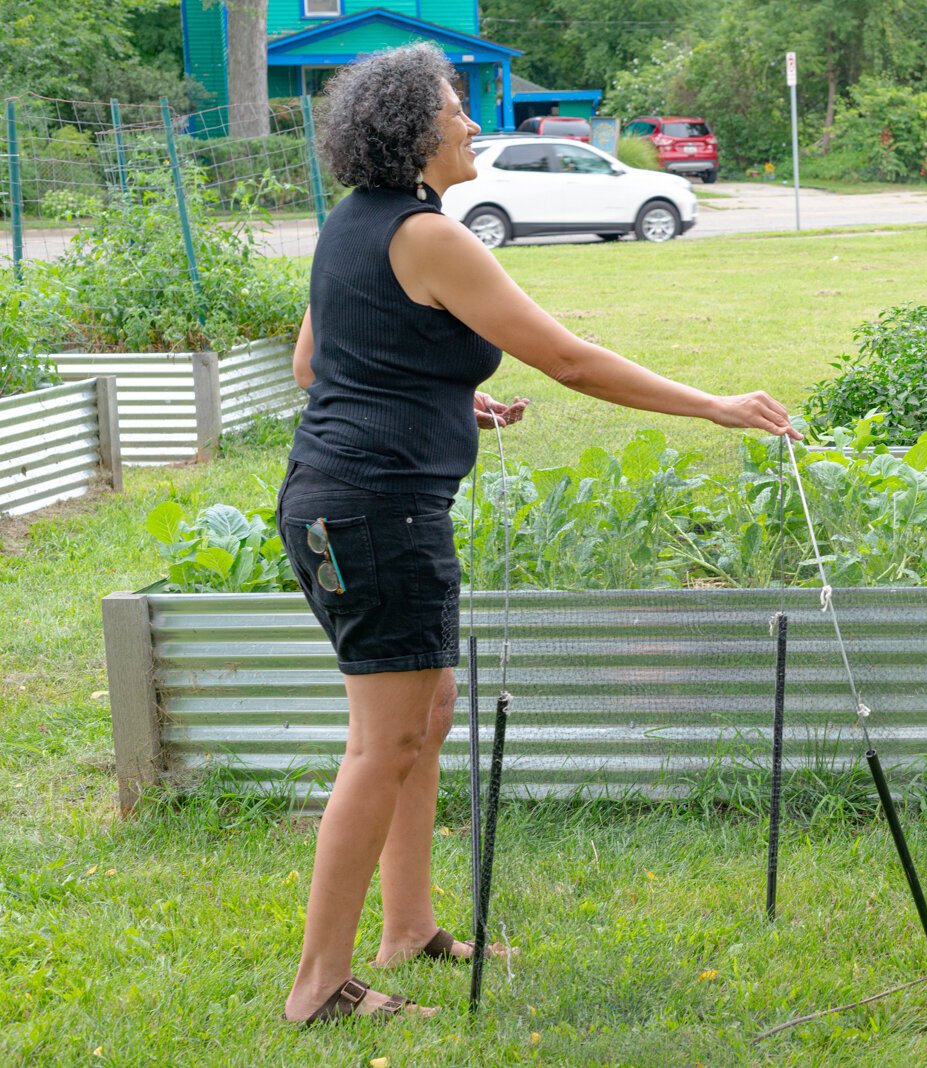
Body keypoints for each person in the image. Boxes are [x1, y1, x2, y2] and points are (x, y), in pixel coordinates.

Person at [276, 43, 797, 1023]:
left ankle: (408, 927)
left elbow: (321, 363)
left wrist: (441, 397)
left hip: (354, 502)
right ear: (412, 131)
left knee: (422, 722)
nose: (470, 123)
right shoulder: (430, 236)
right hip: (370, 514)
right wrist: (715, 405)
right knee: (382, 742)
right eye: (454, 108)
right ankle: (318, 986)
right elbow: (567, 359)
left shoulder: (351, 226)